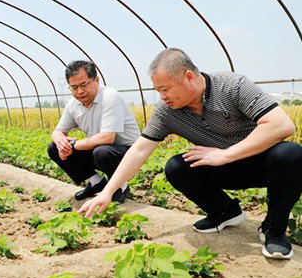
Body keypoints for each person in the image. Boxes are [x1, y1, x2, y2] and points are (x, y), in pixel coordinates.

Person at [80, 48, 302, 259]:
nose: (162, 97)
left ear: (188, 77)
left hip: (260, 164)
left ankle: (274, 229)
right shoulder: (167, 112)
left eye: (165, 89)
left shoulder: (232, 86)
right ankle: (225, 212)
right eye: (158, 91)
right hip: (222, 169)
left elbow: (281, 125)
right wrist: (108, 191)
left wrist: (226, 154)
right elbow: (139, 150)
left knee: (291, 154)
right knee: (176, 167)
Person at [48, 60, 141, 201]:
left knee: (102, 152)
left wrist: (71, 146)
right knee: (53, 147)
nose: (79, 91)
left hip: (129, 152)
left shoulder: (109, 96)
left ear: (96, 80)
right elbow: (57, 131)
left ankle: (120, 185)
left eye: (84, 84)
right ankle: (96, 182)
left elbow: (107, 138)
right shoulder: (73, 104)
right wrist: (61, 142)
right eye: (74, 87)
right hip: (102, 148)